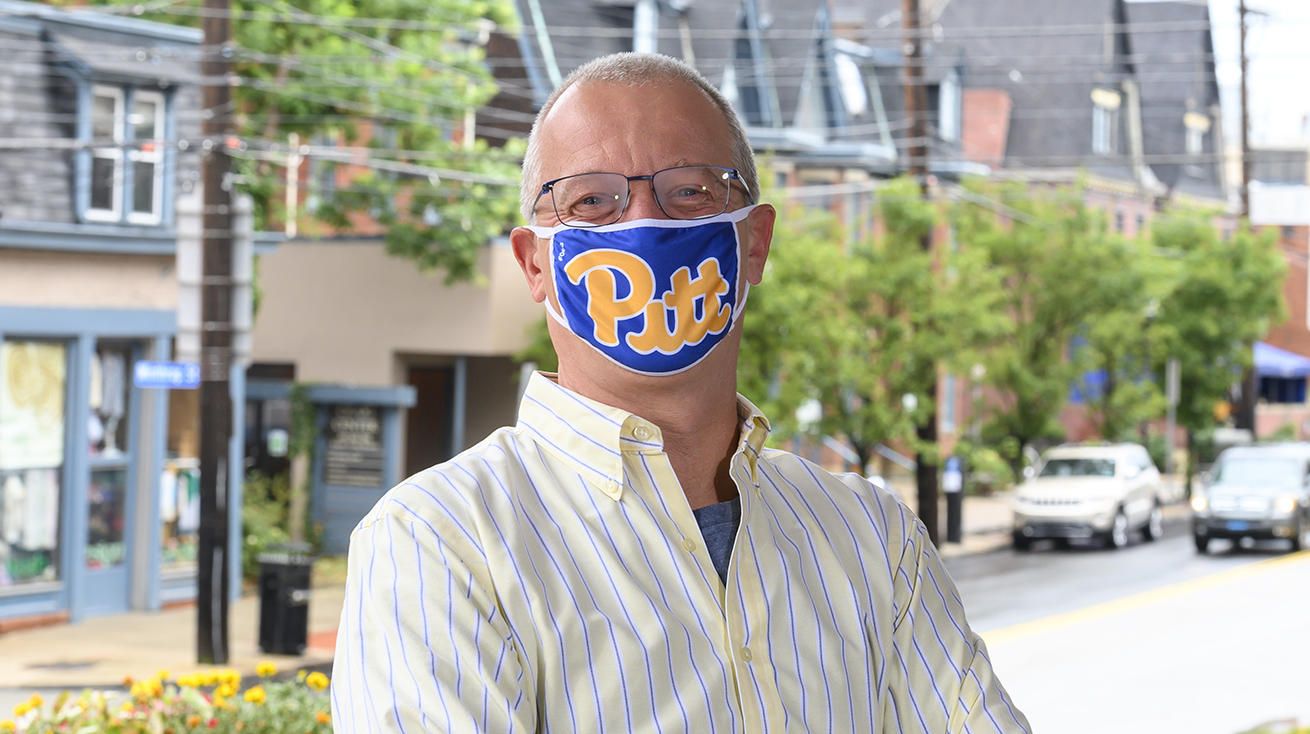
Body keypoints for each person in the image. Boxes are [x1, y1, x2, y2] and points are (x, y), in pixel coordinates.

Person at [331, 52, 1031, 733]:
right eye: (591, 201)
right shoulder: (440, 543)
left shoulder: (874, 537)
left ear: (754, 243)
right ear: (534, 263)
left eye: (690, 190)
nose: (644, 224)